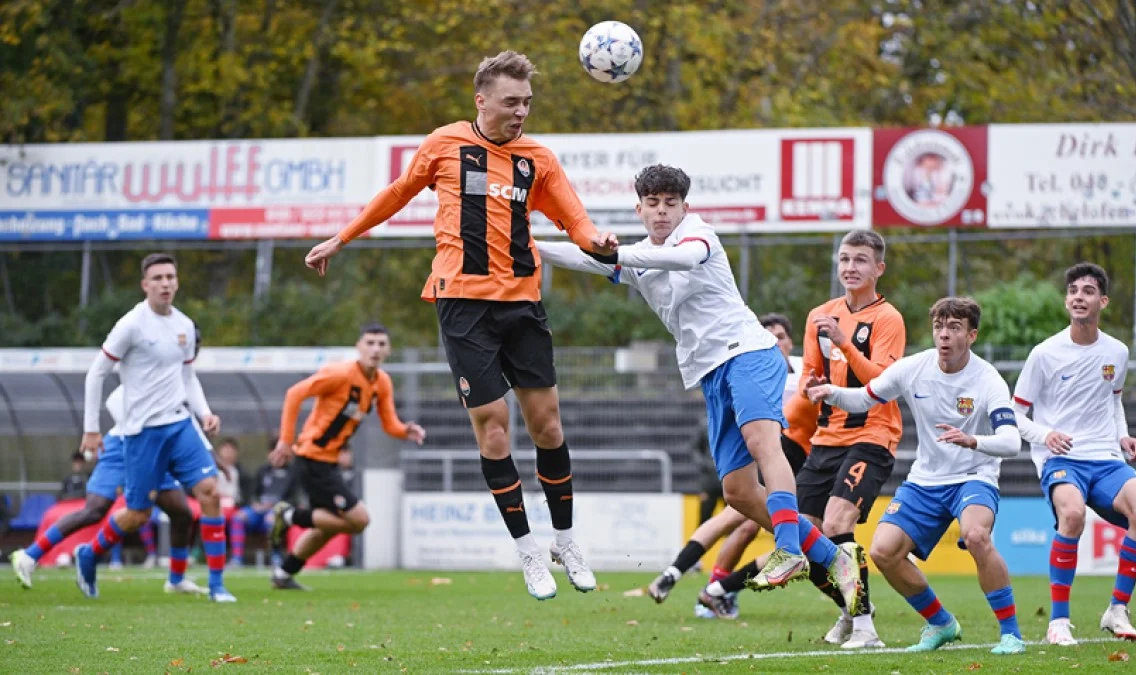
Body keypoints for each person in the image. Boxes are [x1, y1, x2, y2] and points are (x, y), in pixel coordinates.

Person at [301, 50, 617, 600]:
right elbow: (397, 193)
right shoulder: (444, 144)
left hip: (523, 303)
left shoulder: (537, 158)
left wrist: (600, 245)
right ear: (482, 100)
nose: (521, 112)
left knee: (548, 427)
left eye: (527, 103)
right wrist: (341, 237)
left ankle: (564, 540)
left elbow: (575, 218)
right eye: (511, 102)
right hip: (463, 305)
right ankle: (528, 553)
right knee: (493, 425)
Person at [537, 164, 860, 608]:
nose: (662, 212)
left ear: (685, 207)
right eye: (653, 204)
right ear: (640, 209)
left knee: (763, 441)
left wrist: (618, 255)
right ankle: (831, 559)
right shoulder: (638, 260)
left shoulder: (699, 235)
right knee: (739, 492)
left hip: (747, 353)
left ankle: (788, 549)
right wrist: (530, 246)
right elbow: (584, 258)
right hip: (710, 373)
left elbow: (680, 258)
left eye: (671, 203)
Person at [808, 297, 1025, 655]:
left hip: (974, 476)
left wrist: (973, 440)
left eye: (954, 327)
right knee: (883, 551)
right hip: (926, 480)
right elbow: (864, 398)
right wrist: (830, 393)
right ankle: (941, 623)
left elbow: (1011, 441)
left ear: (972, 335)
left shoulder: (988, 380)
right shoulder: (914, 368)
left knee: (975, 536)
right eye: (939, 326)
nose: (944, 335)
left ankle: (1011, 634)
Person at [72, 252, 232, 602]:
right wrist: (91, 428)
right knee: (137, 514)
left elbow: (187, 375)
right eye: (157, 278)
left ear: (177, 282)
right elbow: (96, 373)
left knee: (210, 492)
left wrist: (204, 412)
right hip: (141, 432)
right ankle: (89, 552)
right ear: (145, 285)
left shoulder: (185, 325)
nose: (165, 284)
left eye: (170, 277)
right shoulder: (131, 325)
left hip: (178, 423)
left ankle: (217, 586)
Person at [1012, 262, 1136, 644]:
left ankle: (1117, 610)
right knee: (1071, 514)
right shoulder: (1044, 353)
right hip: (1060, 459)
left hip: (1106, 458)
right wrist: (1046, 434)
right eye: (1073, 290)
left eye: (1088, 291)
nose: (1079, 296)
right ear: (1066, 301)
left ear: (1102, 301)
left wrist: (1123, 436)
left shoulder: (1117, 352)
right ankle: (1058, 622)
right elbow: (1014, 414)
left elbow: (1114, 401)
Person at [647, 312, 813, 620]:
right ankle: (712, 588)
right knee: (745, 520)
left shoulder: (804, 370)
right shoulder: (754, 371)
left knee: (755, 522)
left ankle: (697, 582)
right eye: (768, 336)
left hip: (802, 459)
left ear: (790, 342)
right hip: (773, 454)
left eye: (780, 336)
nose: (774, 342)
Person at [792, 229, 905, 649]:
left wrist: (844, 343)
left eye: (860, 260)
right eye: (844, 259)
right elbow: (806, 374)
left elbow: (883, 381)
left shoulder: (887, 317)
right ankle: (853, 608)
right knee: (802, 540)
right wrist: (811, 386)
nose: (850, 267)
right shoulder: (820, 314)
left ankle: (864, 630)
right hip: (826, 437)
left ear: (879, 268)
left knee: (839, 522)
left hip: (872, 434)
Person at [268, 324, 426, 590]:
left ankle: (284, 574)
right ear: (359, 346)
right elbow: (294, 394)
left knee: (327, 528)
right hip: (312, 458)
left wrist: (404, 430)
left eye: (381, 344)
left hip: (328, 463)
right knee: (359, 520)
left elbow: (389, 423)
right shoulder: (339, 374)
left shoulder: (382, 382)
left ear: (388, 350)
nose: (375, 349)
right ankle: (290, 516)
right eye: (370, 343)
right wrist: (286, 440)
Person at [11, 385, 206, 595]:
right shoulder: (149, 366)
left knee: (180, 513)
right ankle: (29, 556)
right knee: (95, 510)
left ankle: (175, 580)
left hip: (155, 451)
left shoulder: (180, 374)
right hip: (123, 447)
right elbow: (113, 399)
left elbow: (188, 419)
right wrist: (125, 430)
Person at [229, 439, 298, 568]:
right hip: (258, 511)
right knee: (238, 517)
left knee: (273, 519)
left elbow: (295, 499)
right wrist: (255, 504)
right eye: (275, 452)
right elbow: (252, 494)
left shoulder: (293, 474)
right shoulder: (262, 471)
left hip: (278, 511)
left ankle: (276, 556)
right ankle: (237, 558)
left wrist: (275, 507)